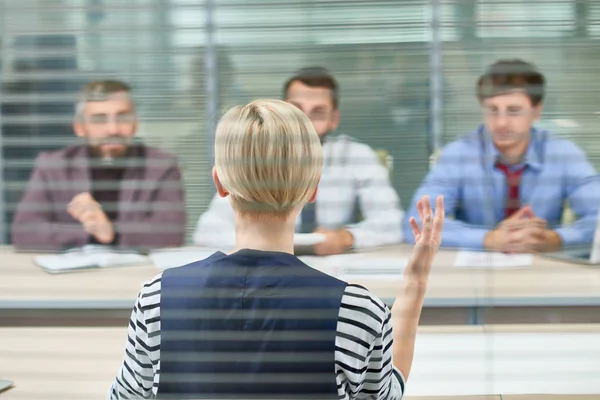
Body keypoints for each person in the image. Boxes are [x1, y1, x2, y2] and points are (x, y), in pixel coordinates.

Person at [108, 99, 445, 399]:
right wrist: (415, 283)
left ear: (220, 183)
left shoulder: (157, 298)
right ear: (313, 188)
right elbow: (387, 392)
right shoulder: (359, 311)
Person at [194, 67, 404, 255]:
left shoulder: (356, 156)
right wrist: (268, 239)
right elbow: (207, 230)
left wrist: (347, 238)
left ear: (334, 119)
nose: (304, 122)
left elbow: (392, 223)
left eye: (318, 113)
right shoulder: (256, 154)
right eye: (296, 110)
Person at [403, 59, 600, 253]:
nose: (501, 123)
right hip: (475, 274)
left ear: (536, 112)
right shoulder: (459, 154)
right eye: (492, 110)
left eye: (513, 111)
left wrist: (556, 238)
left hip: (543, 270)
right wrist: (489, 238)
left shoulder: (562, 153)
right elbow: (416, 223)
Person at [12, 79, 186, 251]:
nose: (113, 129)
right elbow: (24, 232)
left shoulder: (161, 165)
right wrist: (90, 232)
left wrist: (112, 231)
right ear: (80, 127)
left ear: (135, 123)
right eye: (99, 119)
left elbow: (172, 232)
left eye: (123, 117)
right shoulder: (53, 166)